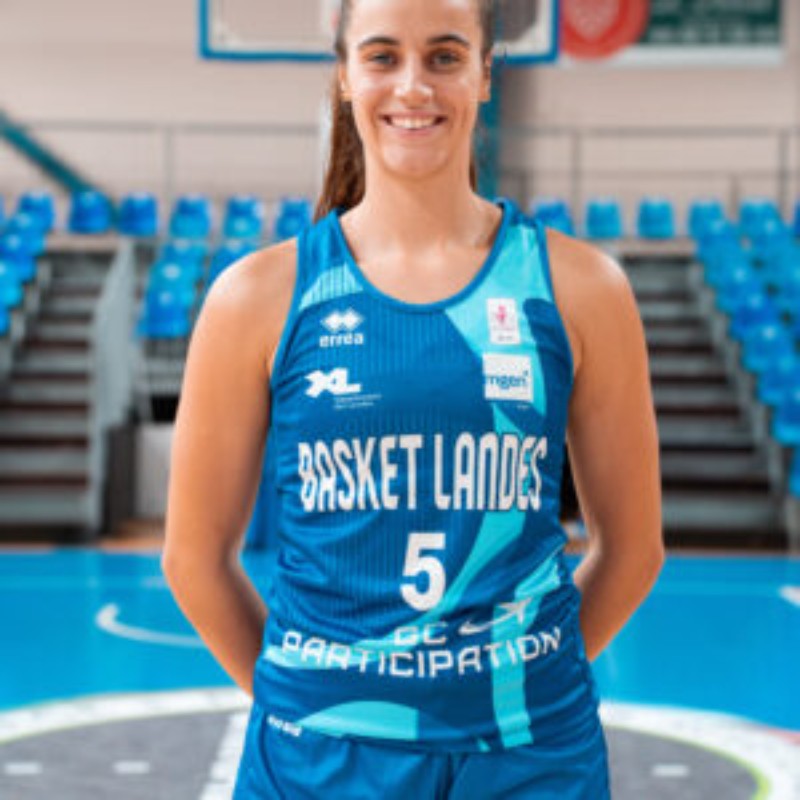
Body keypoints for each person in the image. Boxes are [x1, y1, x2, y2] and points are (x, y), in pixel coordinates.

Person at [162, 0, 664, 796]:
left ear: (486, 73)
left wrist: (519, 683)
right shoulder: (256, 297)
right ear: (343, 75)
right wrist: (311, 702)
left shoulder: (581, 288)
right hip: (318, 762)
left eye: (444, 56)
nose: (413, 86)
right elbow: (192, 559)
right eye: (383, 56)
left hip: (531, 755)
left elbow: (634, 549)